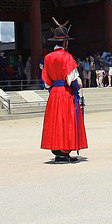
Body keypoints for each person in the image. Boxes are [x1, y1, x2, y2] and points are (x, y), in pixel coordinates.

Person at [40, 20, 86, 163]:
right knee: (66, 122)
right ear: (66, 43)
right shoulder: (67, 57)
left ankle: (58, 152)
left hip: (54, 93)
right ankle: (64, 150)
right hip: (66, 94)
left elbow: (46, 81)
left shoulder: (47, 58)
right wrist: (78, 88)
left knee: (55, 122)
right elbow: (72, 80)